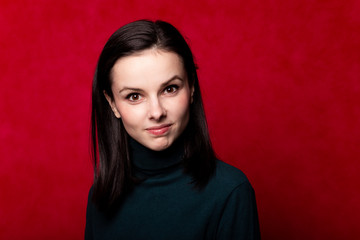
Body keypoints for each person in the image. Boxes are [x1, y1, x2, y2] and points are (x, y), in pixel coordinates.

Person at [85, 19, 260, 240]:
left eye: (170, 89)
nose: (156, 112)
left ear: (192, 87)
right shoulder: (101, 197)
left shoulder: (230, 192)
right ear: (112, 104)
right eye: (134, 96)